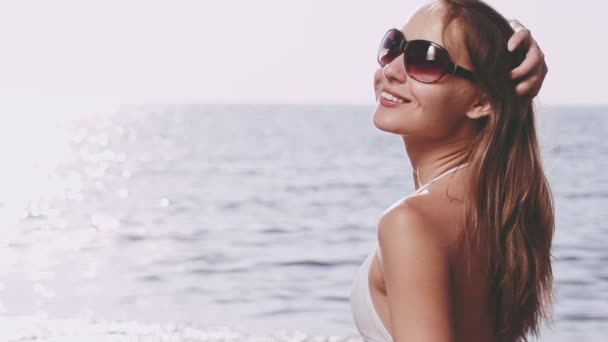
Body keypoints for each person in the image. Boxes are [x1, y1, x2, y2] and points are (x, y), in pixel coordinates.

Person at [349, 1, 554, 341]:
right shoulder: (506, 209)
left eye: (426, 59)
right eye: (394, 47)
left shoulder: (411, 222)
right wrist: (502, 42)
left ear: (480, 101)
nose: (392, 70)